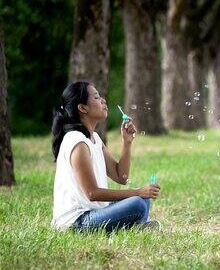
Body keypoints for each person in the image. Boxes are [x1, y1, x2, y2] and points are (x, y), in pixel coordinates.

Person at [51, 81, 161, 232]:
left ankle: (139, 226)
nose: (103, 100)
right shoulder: (77, 142)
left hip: (95, 212)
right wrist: (137, 191)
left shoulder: (94, 138)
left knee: (143, 201)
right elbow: (92, 193)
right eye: (96, 97)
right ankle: (140, 226)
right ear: (82, 108)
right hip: (77, 222)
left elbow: (121, 177)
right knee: (137, 202)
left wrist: (126, 143)